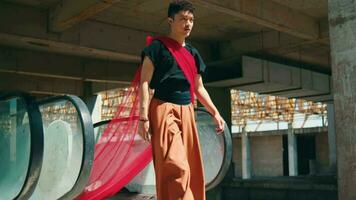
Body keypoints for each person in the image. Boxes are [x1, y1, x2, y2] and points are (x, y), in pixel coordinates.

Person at [139, 1, 225, 199]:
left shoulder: (193, 54)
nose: (188, 24)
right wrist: (143, 118)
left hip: (187, 111)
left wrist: (215, 112)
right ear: (171, 21)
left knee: (192, 166)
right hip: (163, 108)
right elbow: (144, 83)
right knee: (176, 165)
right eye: (183, 19)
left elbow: (199, 87)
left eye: (191, 20)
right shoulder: (157, 48)